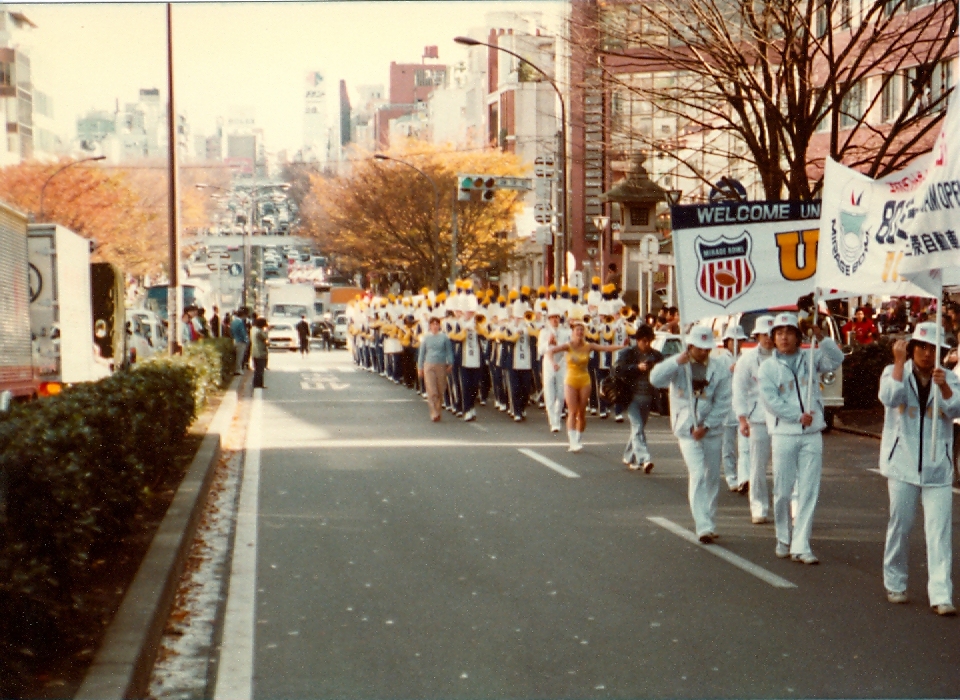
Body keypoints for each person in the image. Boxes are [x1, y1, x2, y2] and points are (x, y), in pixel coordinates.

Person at [879, 323, 960, 615]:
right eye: (922, 347)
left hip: (938, 467)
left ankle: (941, 594)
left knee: (939, 531)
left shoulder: (949, 377)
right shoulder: (893, 371)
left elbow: (957, 409)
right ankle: (896, 582)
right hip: (902, 464)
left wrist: (944, 386)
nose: (927, 354)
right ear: (911, 348)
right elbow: (890, 397)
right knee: (900, 526)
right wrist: (900, 362)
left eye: (934, 349)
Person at [758, 312, 844, 564]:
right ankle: (783, 537)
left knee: (808, 490)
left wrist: (821, 336)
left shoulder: (811, 357)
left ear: (798, 336)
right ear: (773, 337)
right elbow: (771, 401)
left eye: (789, 332)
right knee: (783, 491)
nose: (784, 337)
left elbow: (836, 359)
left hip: (812, 434)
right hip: (784, 433)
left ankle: (801, 544)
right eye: (779, 333)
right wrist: (797, 416)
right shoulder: (768, 367)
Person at [650, 324, 732, 543]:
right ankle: (703, 525)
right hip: (686, 430)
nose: (704, 352)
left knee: (712, 477)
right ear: (690, 346)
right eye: (699, 348)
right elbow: (655, 379)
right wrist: (676, 361)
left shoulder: (720, 367)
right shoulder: (678, 365)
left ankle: (710, 520)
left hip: (711, 431)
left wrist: (707, 426)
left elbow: (723, 401)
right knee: (697, 474)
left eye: (707, 348)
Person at [548, 310, 626, 453]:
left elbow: (605, 348)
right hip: (570, 379)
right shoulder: (568, 345)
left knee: (581, 412)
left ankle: (578, 439)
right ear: (573, 332)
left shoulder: (588, 346)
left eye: (581, 330)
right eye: (577, 330)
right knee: (572, 411)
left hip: (584, 379)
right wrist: (553, 363)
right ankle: (572, 442)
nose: (579, 332)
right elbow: (550, 351)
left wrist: (621, 346)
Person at [732, 315, 777, 524]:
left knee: (785, 464)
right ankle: (758, 506)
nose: (768, 339)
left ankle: (789, 505)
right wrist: (742, 419)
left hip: (782, 418)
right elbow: (739, 391)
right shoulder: (747, 359)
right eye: (764, 335)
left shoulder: (784, 356)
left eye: (771, 334)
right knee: (757, 465)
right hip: (757, 418)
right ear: (756, 335)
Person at [616, 323, 663, 472]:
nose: (647, 344)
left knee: (639, 428)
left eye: (649, 340)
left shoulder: (656, 355)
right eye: (643, 340)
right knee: (637, 427)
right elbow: (618, 369)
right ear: (637, 340)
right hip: (630, 397)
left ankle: (629, 456)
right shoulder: (628, 353)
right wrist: (636, 367)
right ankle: (644, 459)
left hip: (648, 397)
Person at [715, 324, 750, 494]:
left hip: (743, 408)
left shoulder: (747, 358)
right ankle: (731, 477)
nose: (736, 343)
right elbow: (714, 380)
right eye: (732, 340)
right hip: (726, 409)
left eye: (739, 340)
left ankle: (744, 477)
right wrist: (729, 371)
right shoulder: (720, 360)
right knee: (728, 447)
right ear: (726, 341)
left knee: (745, 446)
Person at [539, 302, 570, 433]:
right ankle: (554, 422)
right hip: (548, 364)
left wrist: (558, 345)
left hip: (561, 363)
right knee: (549, 394)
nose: (555, 320)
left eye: (557, 317)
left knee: (561, 394)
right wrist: (548, 343)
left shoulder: (565, 332)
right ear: (549, 319)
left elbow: (568, 348)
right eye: (552, 317)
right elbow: (540, 350)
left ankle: (557, 416)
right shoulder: (544, 332)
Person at [417, 316, 454, 422]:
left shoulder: (444, 337)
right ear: (429, 326)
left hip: (441, 364)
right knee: (431, 389)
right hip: (429, 364)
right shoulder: (426, 338)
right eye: (433, 324)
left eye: (437, 324)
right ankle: (434, 412)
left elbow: (449, 351)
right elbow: (422, 353)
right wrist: (420, 367)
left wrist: (450, 362)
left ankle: (438, 409)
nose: (435, 326)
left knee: (440, 389)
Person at [230, 307, 250, 375]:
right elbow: (243, 332)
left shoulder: (233, 321)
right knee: (240, 356)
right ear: (243, 315)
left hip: (235, 340)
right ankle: (238, 369)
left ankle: (235, 369)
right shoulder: (240, 322)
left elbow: (231, 331)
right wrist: (246, 340)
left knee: (235, 356)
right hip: (240, 341)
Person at [250, 317, 268, 389]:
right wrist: (266, 331)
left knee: (257, 369)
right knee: (260, 370)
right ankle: (259, 384)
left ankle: (256, 384)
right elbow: (265, 337)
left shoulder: (253, 329)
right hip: (260, 352)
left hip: (254, 351)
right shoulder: (259, 331)